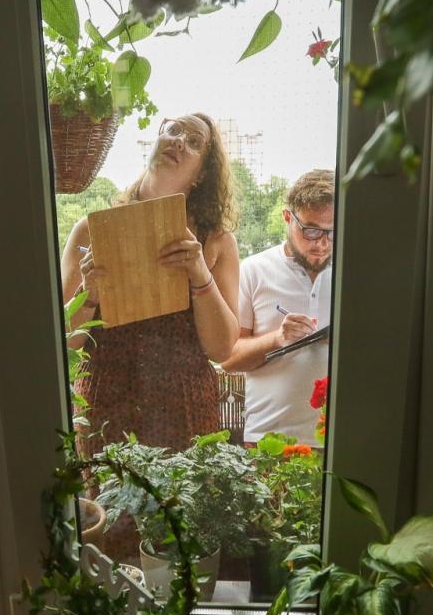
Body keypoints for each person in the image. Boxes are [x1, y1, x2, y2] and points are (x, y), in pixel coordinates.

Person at [60, 112, 242, 455]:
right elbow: (64, 341)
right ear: (155, 141)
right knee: (110, 506)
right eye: (172, 130)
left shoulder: (216, 241)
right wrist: (89, 295)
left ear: (202, 173)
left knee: (179, 506)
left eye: (193, 142)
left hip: (186, 408)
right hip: (105, 405)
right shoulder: (91, 230)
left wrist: (200, 276)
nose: (177, 141)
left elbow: (222, 349)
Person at [221, 169, 335, 445]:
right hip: (268, 442)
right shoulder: (253, 270)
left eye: (333, 232)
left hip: (341, 441)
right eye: (310, 230)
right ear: (288, 218)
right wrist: (278, 339)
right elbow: (229, 358)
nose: (321, 243)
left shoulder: (358, 274)